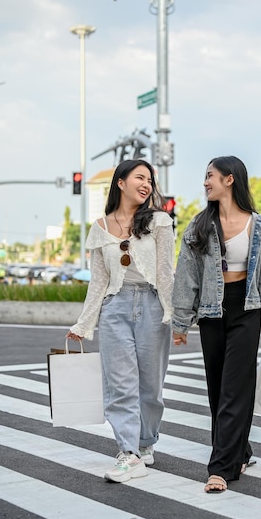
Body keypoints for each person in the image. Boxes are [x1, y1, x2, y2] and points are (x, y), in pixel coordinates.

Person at [172, 155, 261, 493]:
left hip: (247, 307)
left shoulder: (259, 225)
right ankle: (240, 450)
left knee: (235, 387)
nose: (205, 182)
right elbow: (186, 277)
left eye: (210, 175)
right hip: (212, 311)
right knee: (217, 388)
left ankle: (221, 469)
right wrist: (181, 322)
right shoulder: (199, 225)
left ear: (230, 179)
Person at [67, 159, 174, 483]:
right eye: (139, 177)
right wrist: (83, 324)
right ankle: (128, 452)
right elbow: (98, 281)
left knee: (150, 388)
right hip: (115, 308)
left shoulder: (159, 221)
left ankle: (145, 443)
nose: (146, 184)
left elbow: (166, 273)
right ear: (120, 182)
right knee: (119, 386)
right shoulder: (100, 228)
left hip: (153, 307)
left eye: (149, 180)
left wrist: (176, 318)